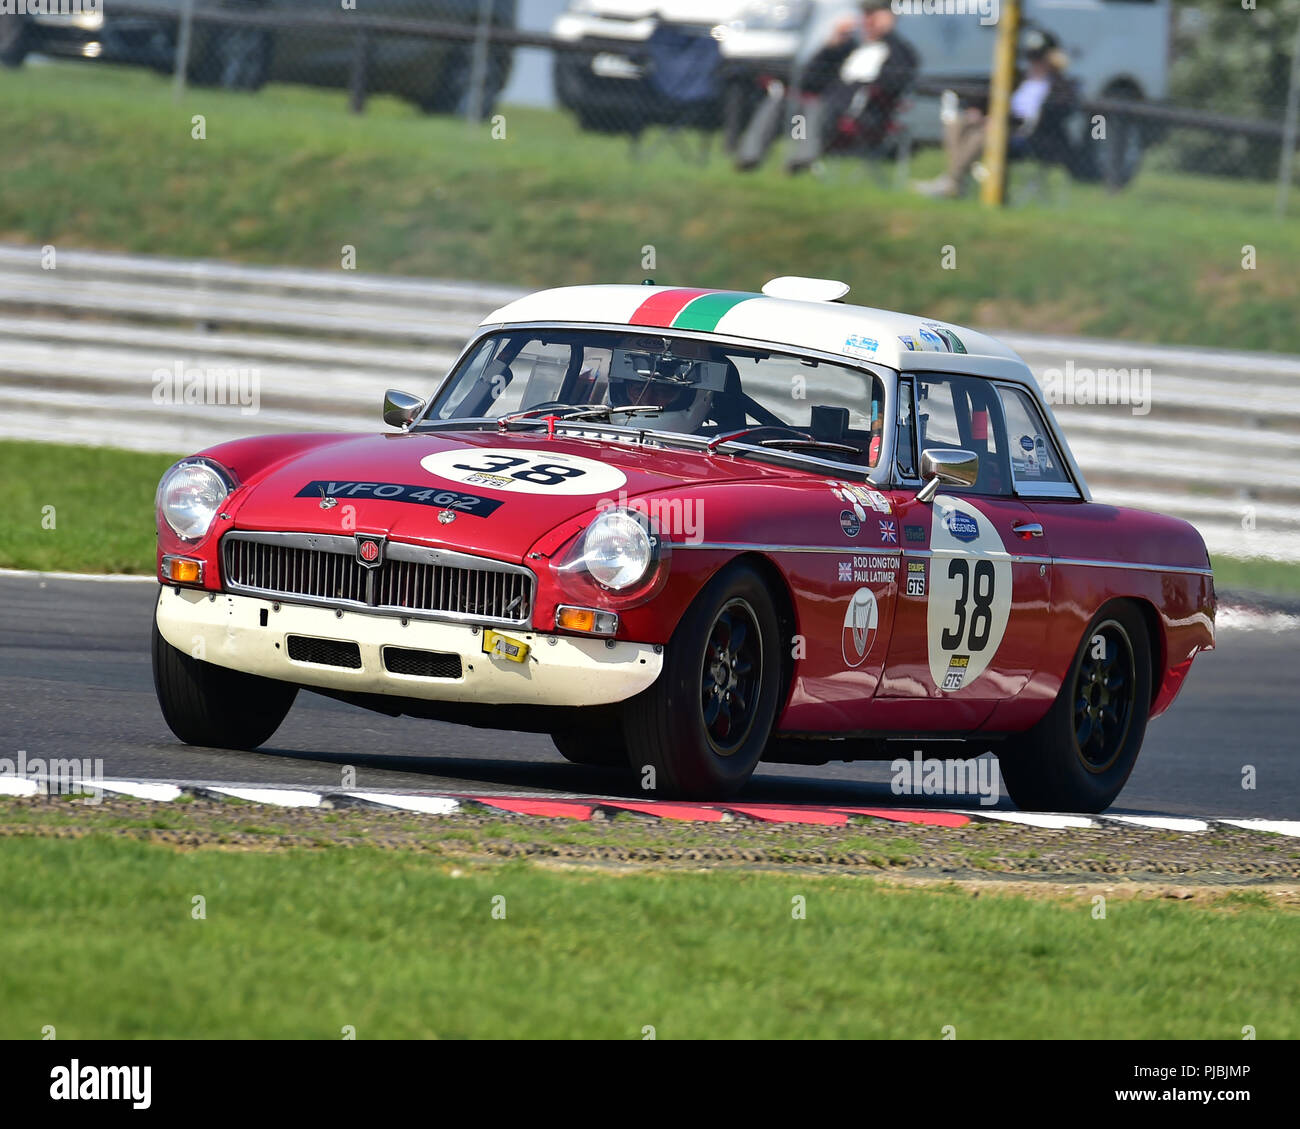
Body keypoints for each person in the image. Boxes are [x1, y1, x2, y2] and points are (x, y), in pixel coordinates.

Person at [735, 0, 918, 174]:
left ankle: (802, 159)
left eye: (873, 15)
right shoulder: (850, 49)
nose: (868, 21)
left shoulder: (899, 52)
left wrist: (888, 35)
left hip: (861, 116)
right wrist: (832, 46)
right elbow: (810, 78)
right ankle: (750, 156)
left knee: (817, 106)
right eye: (865, 15)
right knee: (780, 100)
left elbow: (894, 82)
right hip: (818, 112)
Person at [914, 28, 1074, 199]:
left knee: (981, 136)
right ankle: (954, 181)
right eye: (1031, 57)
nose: (1033, 62)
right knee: (957, 125)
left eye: (1038, 58)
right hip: (999, 122)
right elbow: (992, 95)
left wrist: (1001, 121)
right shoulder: (1018, 77)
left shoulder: (1060, 85)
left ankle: (952, 181)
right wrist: (977, 111)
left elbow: (1051, 114)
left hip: (1028, 135)